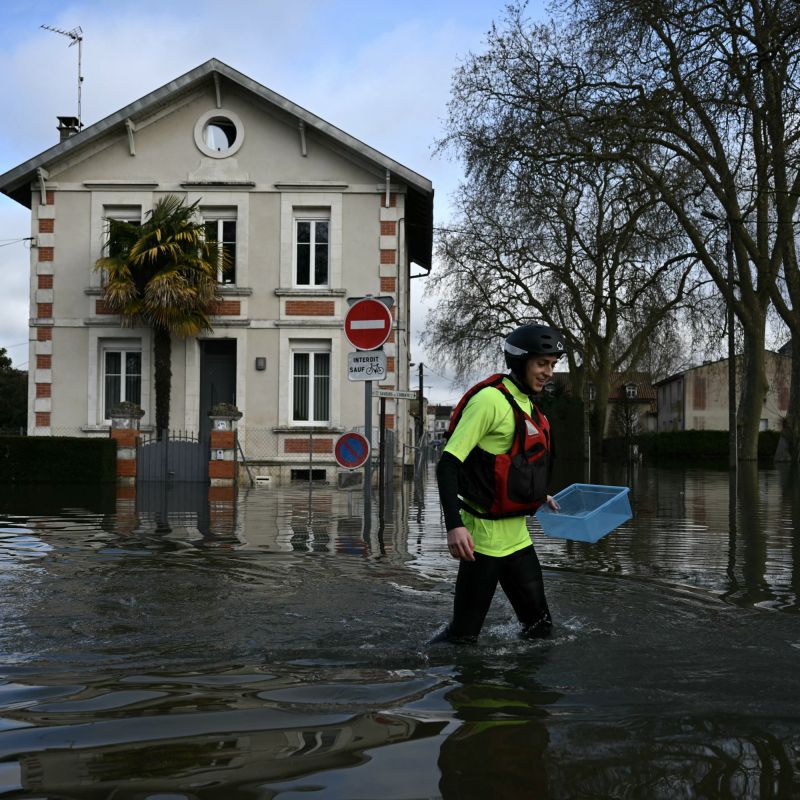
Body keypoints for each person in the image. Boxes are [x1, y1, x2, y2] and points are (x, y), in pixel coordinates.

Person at [432, 324, 565, 644]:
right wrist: (454, 526)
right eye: (541, 364)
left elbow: (511, 463)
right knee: (462, 640)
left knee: (541, 630)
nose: (548, 372)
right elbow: (448, 464)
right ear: (520, 362)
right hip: (482, 539)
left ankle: (525, 692)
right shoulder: (490, 401)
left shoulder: (529, 405)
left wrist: (536, 494)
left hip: (517, 537)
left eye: (552, 364)